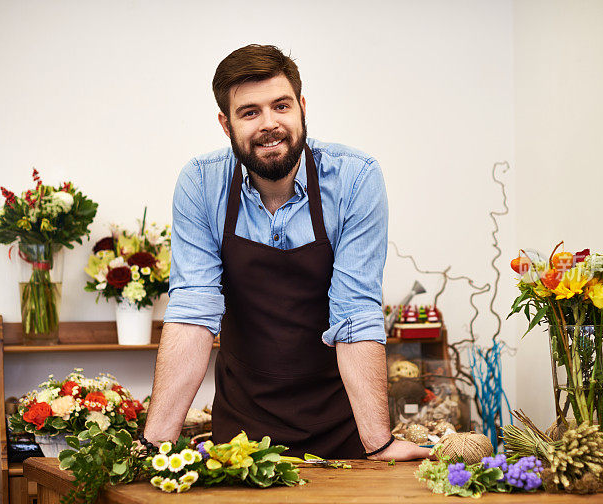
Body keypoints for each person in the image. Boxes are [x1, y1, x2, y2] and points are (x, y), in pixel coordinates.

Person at [141, 44, 428, 461]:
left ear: (302, 107)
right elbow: (191, 314)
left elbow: (355, 314)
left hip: (341, 426)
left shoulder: (354, 178)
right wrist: (154, 446)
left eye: (281, 105)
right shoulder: (201, 184)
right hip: (240, 434)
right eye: (250, 112)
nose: (270, 124)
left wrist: (378, 443)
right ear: (226, 124)